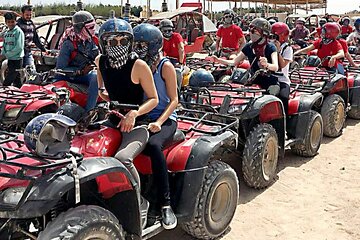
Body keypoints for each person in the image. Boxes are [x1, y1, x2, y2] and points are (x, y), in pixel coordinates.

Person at [95, 18, 158, 206]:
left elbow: (154, 99)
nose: (118, 45)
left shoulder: (139, 65)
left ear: (129, 42)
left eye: (123, 41)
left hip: (138, 122)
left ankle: (139, 202)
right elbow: (102, 91)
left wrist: (134, 113)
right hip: (113, 119)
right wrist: (108, 101)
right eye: (112, 42)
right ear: (104, 44)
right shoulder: (101, 61)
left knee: (123, 158)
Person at [133, 23, 178, 229]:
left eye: (142, 44)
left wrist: (159, 123)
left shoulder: (165, 66)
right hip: (144, 115)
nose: (137, 48)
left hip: (165, 117)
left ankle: (165, 204)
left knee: (153, 146)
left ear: (153, 45)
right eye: (136, 44)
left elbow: (174, 100)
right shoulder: (138, 64)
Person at [212, 18, 279, 92]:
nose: (251, 33)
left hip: (269, 82)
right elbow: (234, 62)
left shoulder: (270, 47)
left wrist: (267, 65)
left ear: (264, 34)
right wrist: (218, 60)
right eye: (250, 30)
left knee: (273, 93)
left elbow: (275, 67)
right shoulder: (249, 47)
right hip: (254, 80)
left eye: (254, 31)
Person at [56, 11, 99, 112]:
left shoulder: (92, 40)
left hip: (89, 71)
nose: (94, 30)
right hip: (73, 75)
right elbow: (60, 69)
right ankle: (88, 112)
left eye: (94, 27)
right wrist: (81, 71)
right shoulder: (68, 44)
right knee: (96, 77)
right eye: (90, 28)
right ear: (80, 28)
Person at [270, 22, 293, 115]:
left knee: (283, 98)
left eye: (274, 36)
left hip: (282, 80)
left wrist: (278, 51)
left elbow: (283, 65)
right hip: (269, 78)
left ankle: (285, 123)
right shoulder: (269, 46)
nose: (272, 39)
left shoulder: (287, 48)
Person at [1, 12, 24, 88]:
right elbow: (4, 45)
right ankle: (19, 91)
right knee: (16, 80)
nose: (11, 24)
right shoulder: (7, 32)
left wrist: (7, 54)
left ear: (15, 21)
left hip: (17, 59)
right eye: (8, 22)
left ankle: (3, 90)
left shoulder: (18, 32)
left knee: (8, 80)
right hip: (10, 59)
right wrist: (3, 54)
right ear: (6, 22)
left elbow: (19, 47)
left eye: (12, 22)